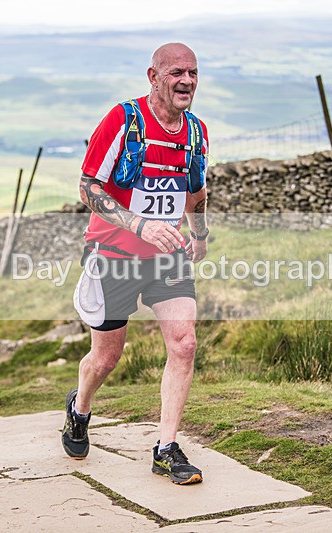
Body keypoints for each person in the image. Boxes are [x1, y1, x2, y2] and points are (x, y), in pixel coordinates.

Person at [63, 43, 210, 485]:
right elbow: (88, 187)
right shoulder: (124, 120)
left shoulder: (197, 132)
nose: (187, 81)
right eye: (176, 73)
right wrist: (139, 224)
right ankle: (80, 406)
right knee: (106, 358)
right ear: (154, 76)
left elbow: (195, 190)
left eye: (194, 73)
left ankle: (166, 448)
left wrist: (199, 234)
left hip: (168, 257)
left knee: (184, 343)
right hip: (113, 255)